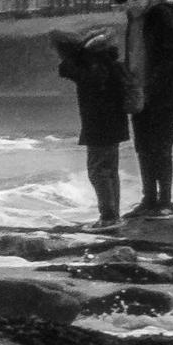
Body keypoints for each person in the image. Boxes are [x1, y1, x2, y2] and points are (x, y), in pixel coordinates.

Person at [113, 0, 173, 219]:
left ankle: (166, 202)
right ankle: (148, 199)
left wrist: (151, 84)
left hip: (163, 92)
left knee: (161, 146)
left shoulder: (161, 13)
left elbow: (172, 53)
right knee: (142, 146)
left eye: (126, 3)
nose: (124, 9)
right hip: (138, 91)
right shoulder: (134, 17)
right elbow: (133, 54)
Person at [52, 28, 127, 230]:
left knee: (97, 172)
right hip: (115, 124)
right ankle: (113, 215)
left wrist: (75, 56)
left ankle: (108, 217)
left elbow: (69, 71)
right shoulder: (109, 63)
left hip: (98, 125)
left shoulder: (91, 66)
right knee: (110, 170)